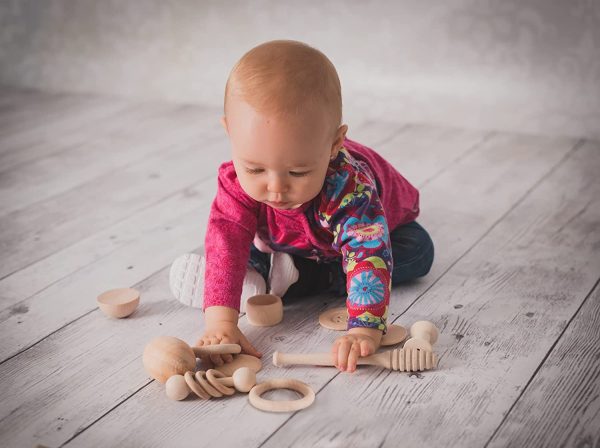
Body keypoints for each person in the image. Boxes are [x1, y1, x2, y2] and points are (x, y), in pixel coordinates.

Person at [169, 40, 434, 373]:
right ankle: (274, 272)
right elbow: (226, 240)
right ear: (230, 132)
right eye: (255, 169)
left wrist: (365, 327)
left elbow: (368, 251)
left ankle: (299, 274)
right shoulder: (238, 183)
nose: (276, 188)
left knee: (418, 251)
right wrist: (221, 320)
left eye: (298, 172)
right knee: (237, 249)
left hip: (376, 230)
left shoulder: (349, 187)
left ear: (334, 144)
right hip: (289, 238)